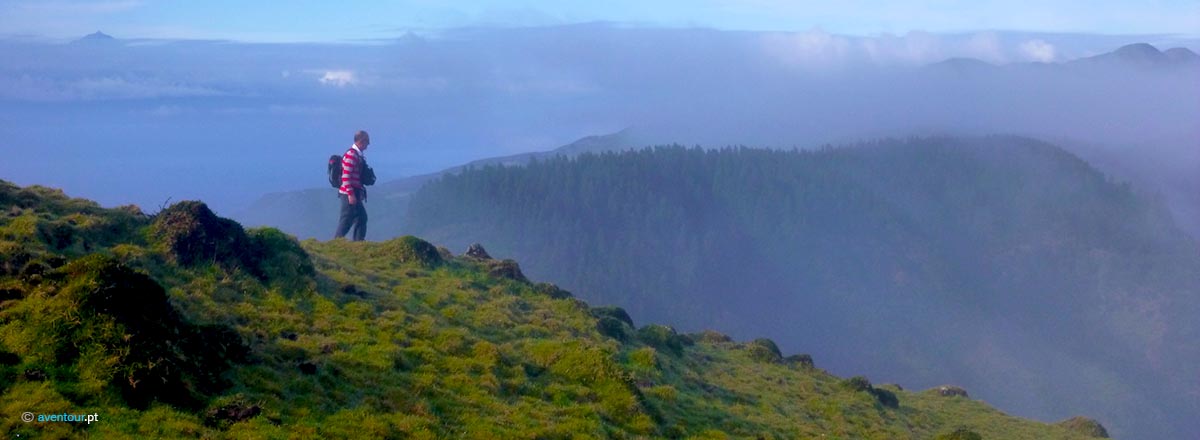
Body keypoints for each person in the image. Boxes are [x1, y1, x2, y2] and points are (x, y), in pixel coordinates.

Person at [334, 130, 370, 241]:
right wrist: (351, 194)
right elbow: (346, 176)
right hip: (348, 192)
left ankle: (358, 243)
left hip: (353, 191)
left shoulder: (357, 155)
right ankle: (336, 242)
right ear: (361, 141)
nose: (368, 144)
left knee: (361, 217)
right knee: (346, 219)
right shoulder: (352, 155)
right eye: (367, 141)